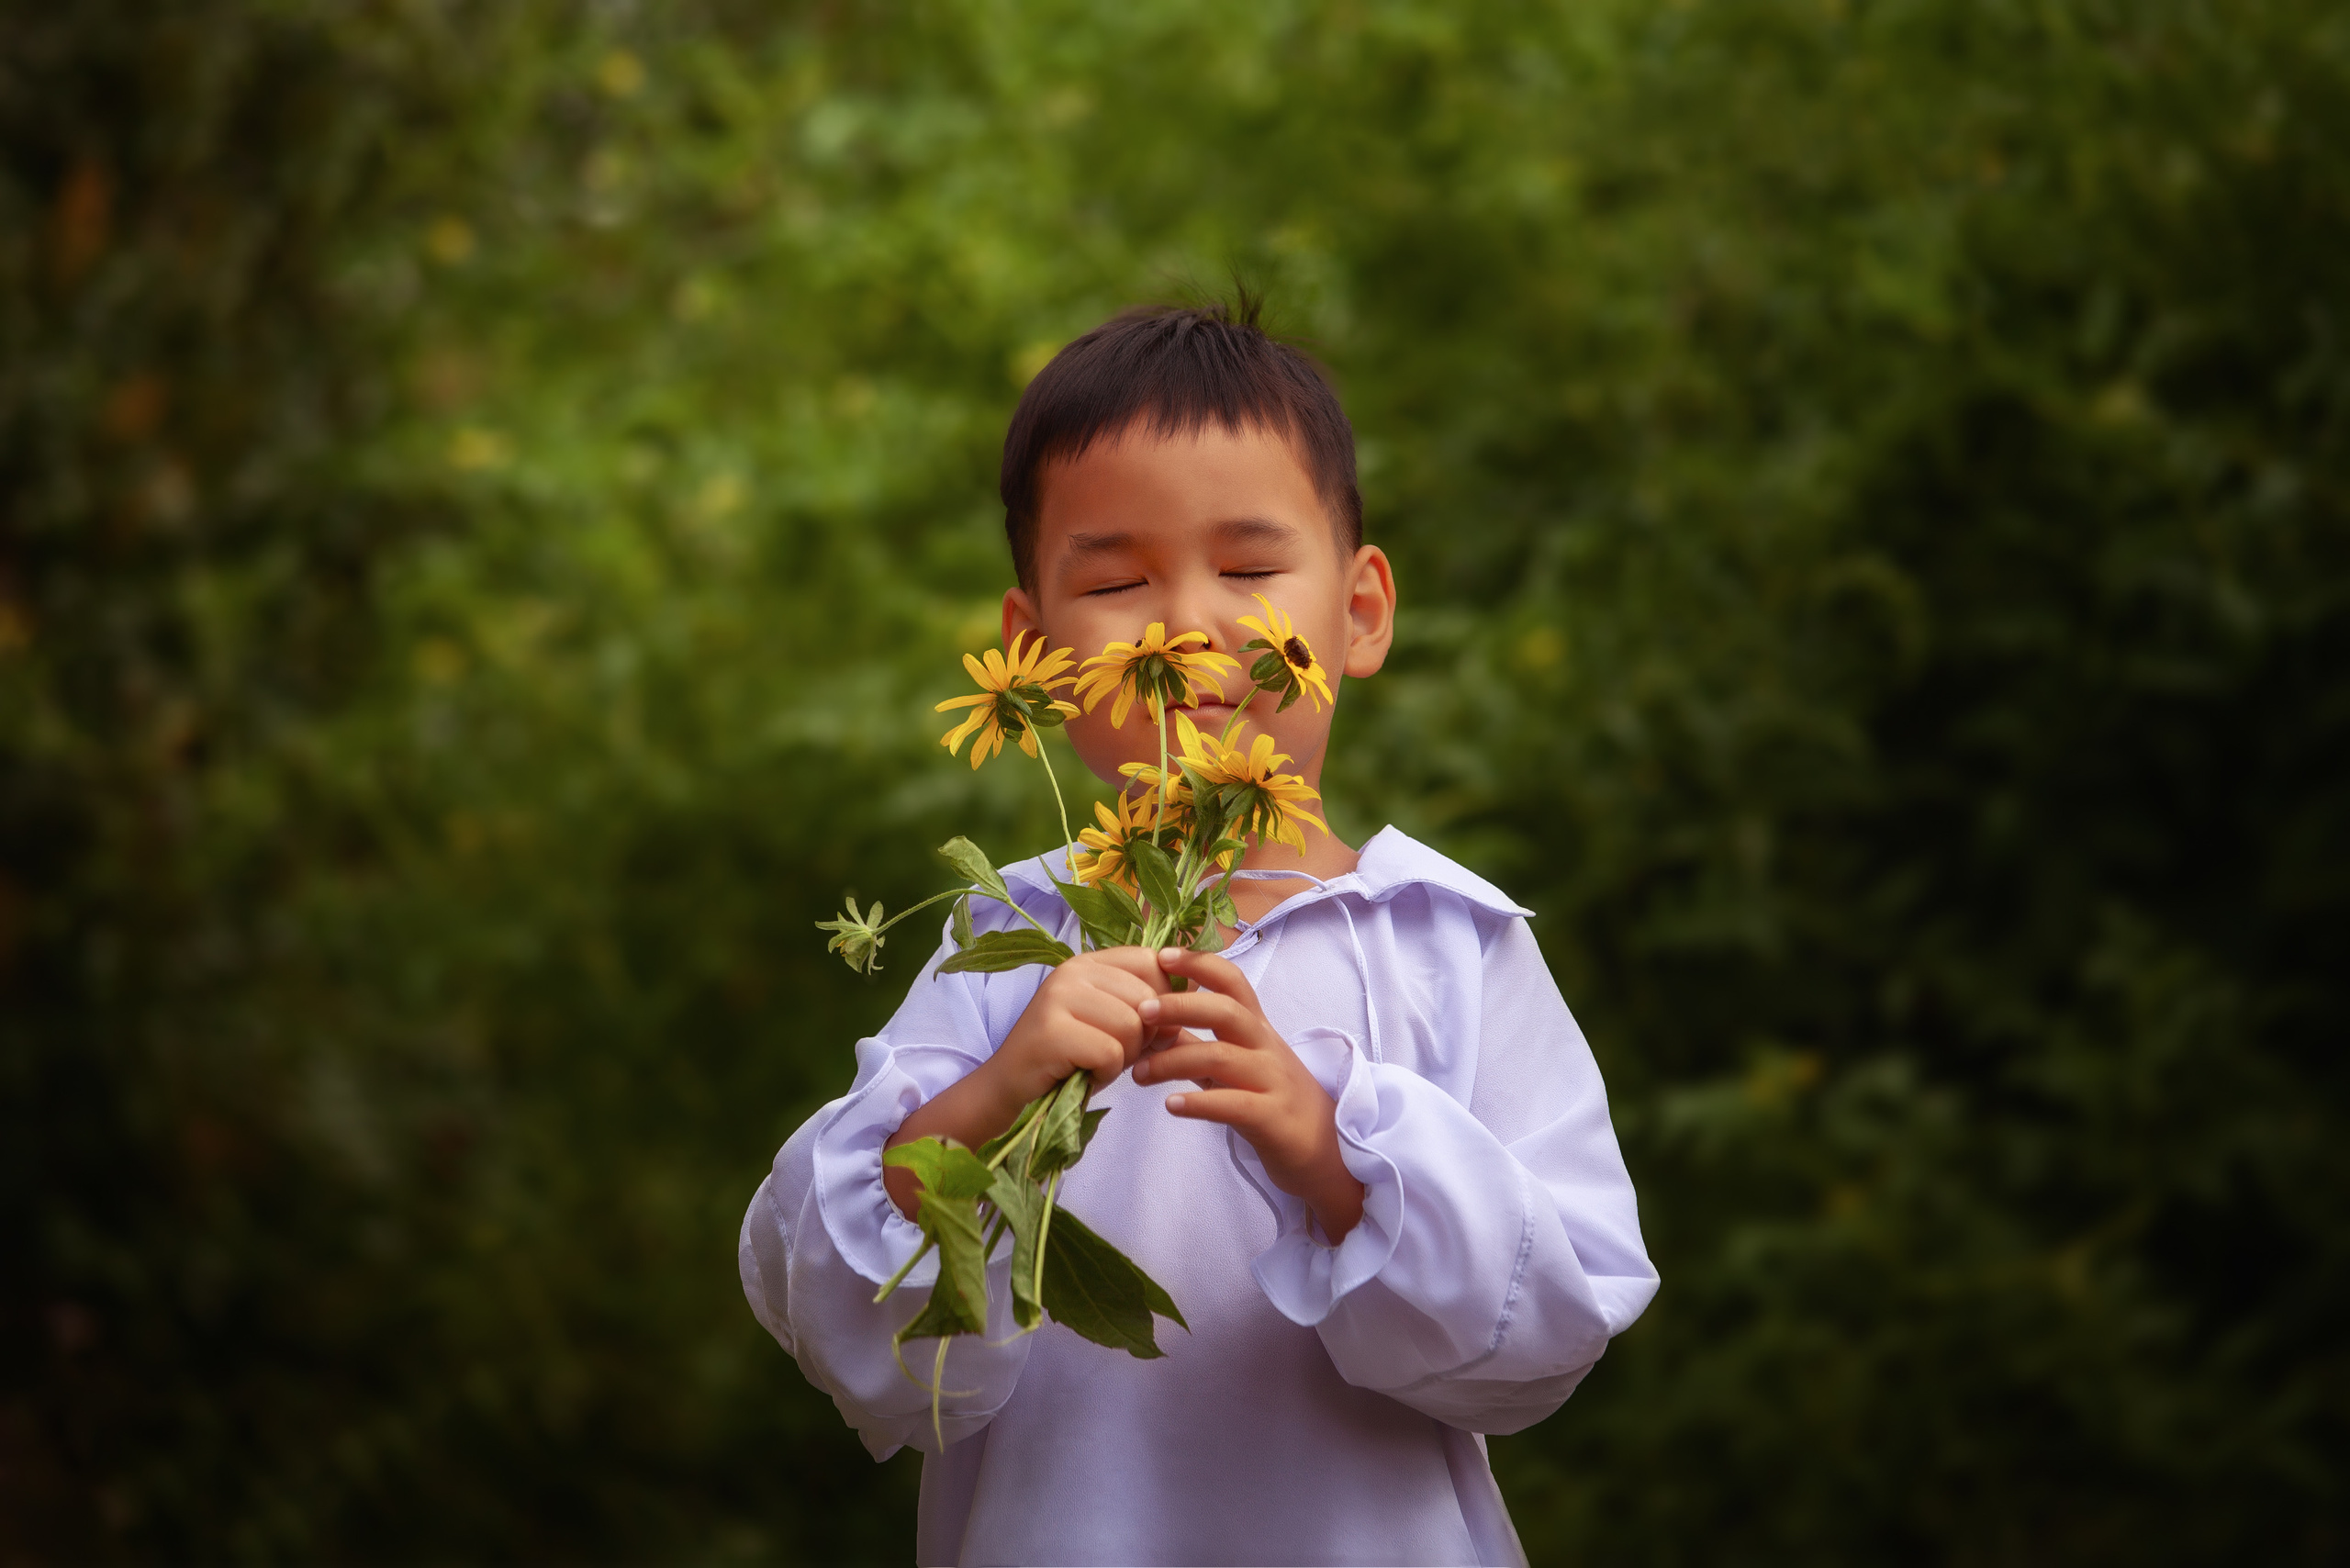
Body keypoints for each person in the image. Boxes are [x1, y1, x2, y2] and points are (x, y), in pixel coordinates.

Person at [739, 300, 1658, 1566]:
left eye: (1249, 568)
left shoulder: (1451, 946)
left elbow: (1549, 1328)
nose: (1184, 626)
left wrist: (1330, 1151)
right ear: (1035, 653)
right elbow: (835, 1303)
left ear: (1362, 611)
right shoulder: (1008, 937)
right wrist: (1003, 1092)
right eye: (1116, 582)